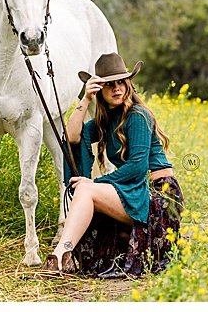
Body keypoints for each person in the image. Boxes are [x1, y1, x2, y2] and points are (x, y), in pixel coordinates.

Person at [44, 52, 184, 278]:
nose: (117, 88)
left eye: (121, 82)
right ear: (100, 89)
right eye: (109, 84)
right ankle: (62, 256)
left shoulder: (137, 115)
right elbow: (71, 137)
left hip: (160, 196)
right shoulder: (107, 120)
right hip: (136, 190)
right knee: (85, 189)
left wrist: (94, 182)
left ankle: (61, 256)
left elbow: (138, 167)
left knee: (87, 189)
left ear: (128, 84)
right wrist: (85, 99)